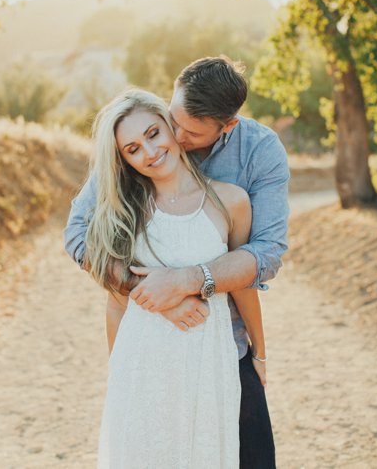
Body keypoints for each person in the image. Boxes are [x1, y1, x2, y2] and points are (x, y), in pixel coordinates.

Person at [65, 56, 288, 468]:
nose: (174, 137)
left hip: (224, 346)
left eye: (189, 131)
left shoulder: (253, 157)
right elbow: (79, 236)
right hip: (148, 354)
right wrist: (152, 293)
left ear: (227, 126)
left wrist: (190, 282)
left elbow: (263, 257)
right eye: (173, 120)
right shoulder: (128, 177)